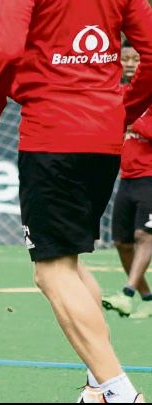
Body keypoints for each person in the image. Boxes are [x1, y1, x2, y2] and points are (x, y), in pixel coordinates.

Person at [0, 0, 152, 403]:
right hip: (104, 139)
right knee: (67, 263)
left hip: (52, 135)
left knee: (50, 269)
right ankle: (97, 389)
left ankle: (121, 393)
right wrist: (124, 110)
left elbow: (6, 50)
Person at [103, 40, 152, 319]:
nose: (131, 64)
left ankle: (127, 293)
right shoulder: (117, 93)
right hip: (127, 178)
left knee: (144, 235)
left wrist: (133, 122)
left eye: (137, 58)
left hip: (151, 178)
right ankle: (148, 298)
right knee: (122, 243)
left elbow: (132, 124)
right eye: (126, 58)